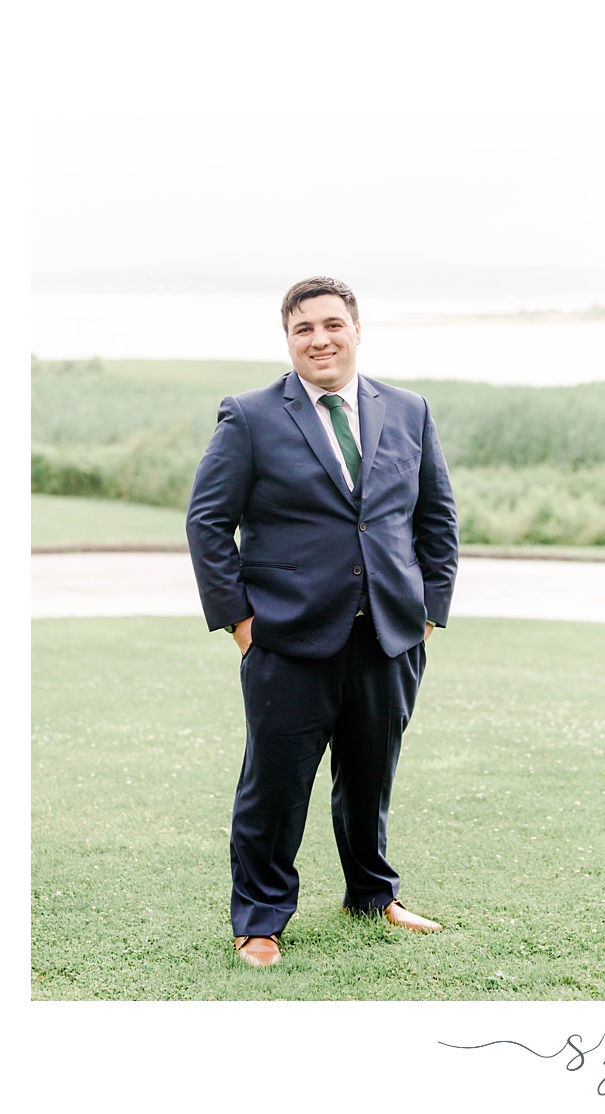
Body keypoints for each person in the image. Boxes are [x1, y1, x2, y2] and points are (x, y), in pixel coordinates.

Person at [186, 275, 459, 968]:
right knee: (274, 787)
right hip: (287, 638)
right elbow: (208, 523)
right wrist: (240, 623)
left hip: (390, 635)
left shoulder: (407, 410)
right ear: (289, 339)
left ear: (356, 330)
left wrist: (428, 612)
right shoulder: (248, 417)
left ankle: (372, 894)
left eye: (332, 325)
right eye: (304, 329)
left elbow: (435, 520)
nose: (320, 339)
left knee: (371, 778)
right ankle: (259, 921)